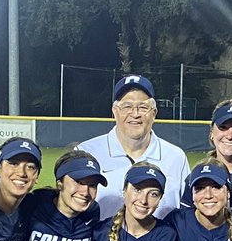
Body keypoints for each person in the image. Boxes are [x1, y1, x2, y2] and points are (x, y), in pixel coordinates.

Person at [79, 74, 191, 220]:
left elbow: (189, 214)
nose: (135, 114)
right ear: (114, 111)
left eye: (143, 107)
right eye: (127, 106)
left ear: (154, 113)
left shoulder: (176, 157)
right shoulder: (87, 153)